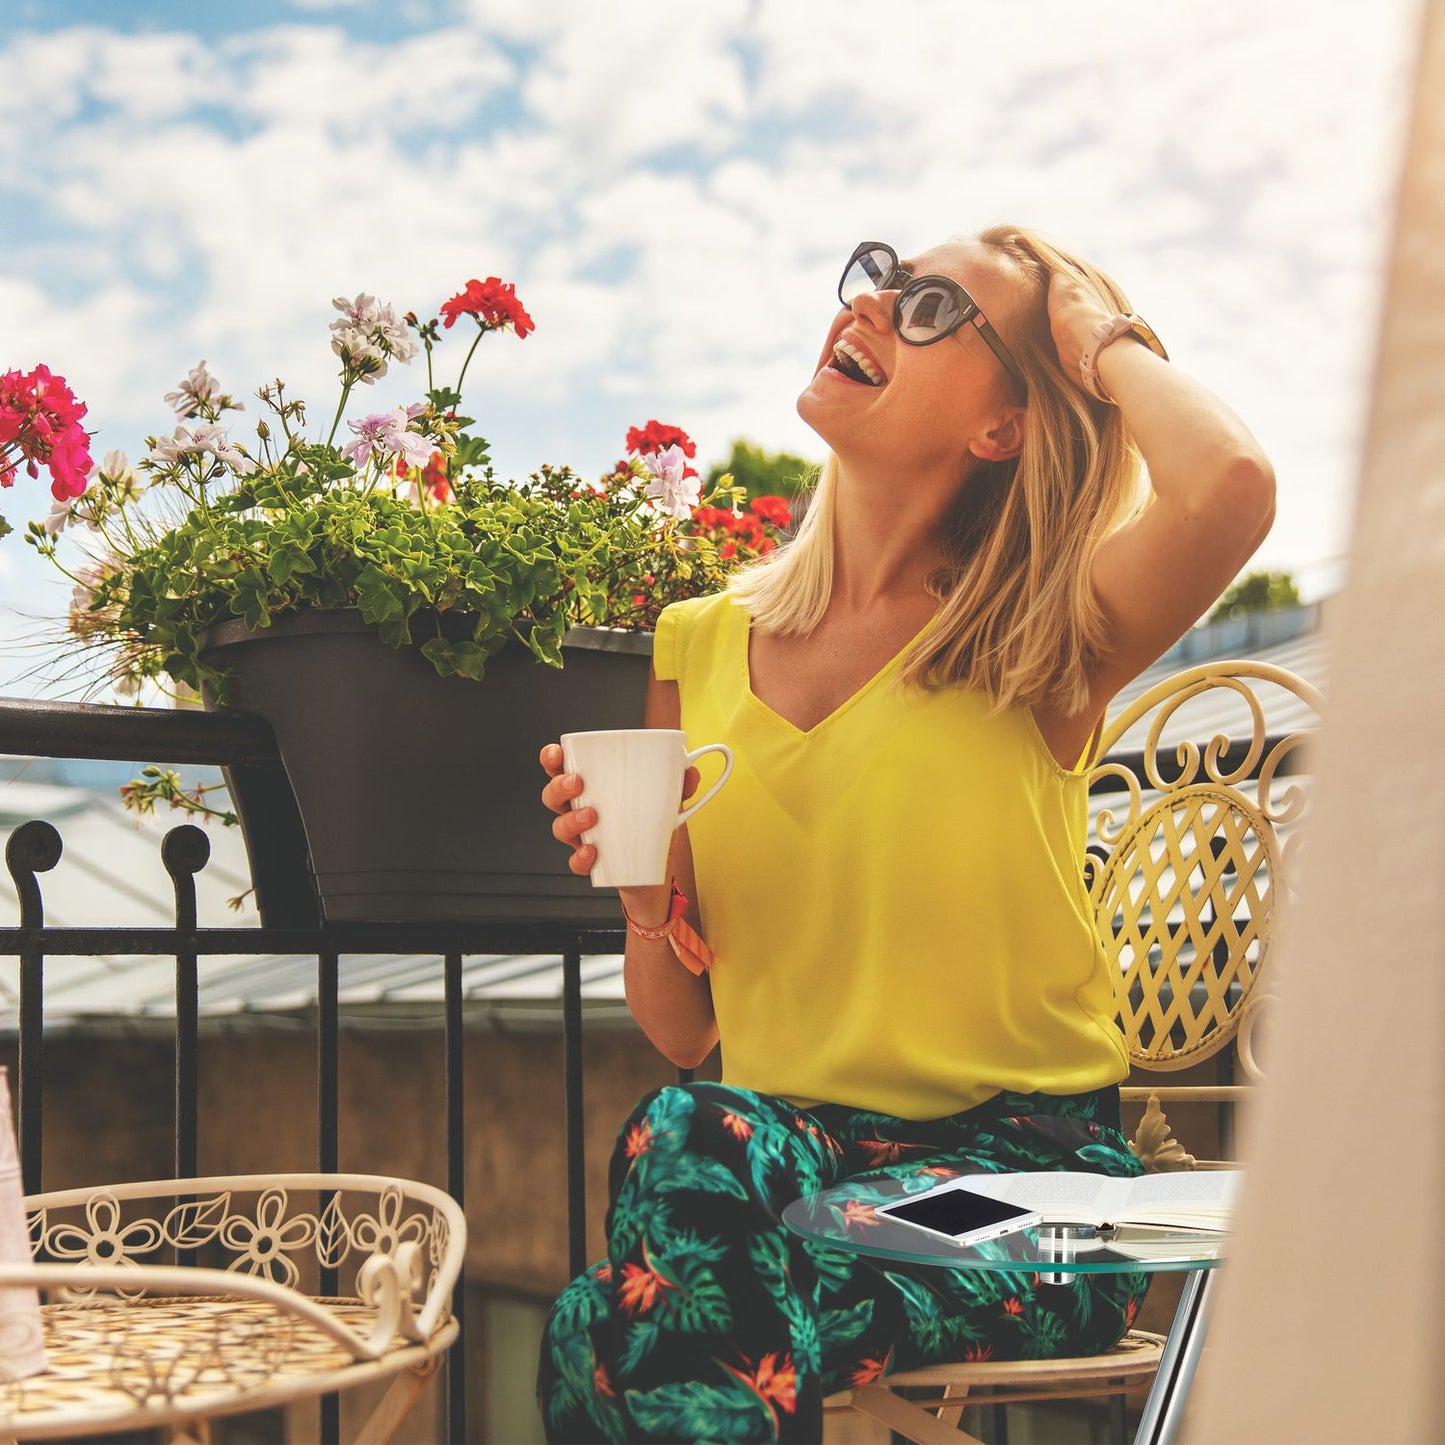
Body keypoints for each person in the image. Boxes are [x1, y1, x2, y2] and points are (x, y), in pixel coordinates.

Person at [535, 225, 1274, 1443]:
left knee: (605, 1326)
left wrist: (1091, 341)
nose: (874, 303)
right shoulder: (697, 643)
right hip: (789, 1162)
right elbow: (682, 1028)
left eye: (934, 306)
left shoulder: (1044, 627)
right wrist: (642, 898)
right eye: (882, 277)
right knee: (685, 1134)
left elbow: (1229, 486)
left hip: (1025, 1188)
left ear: (1003, 425)